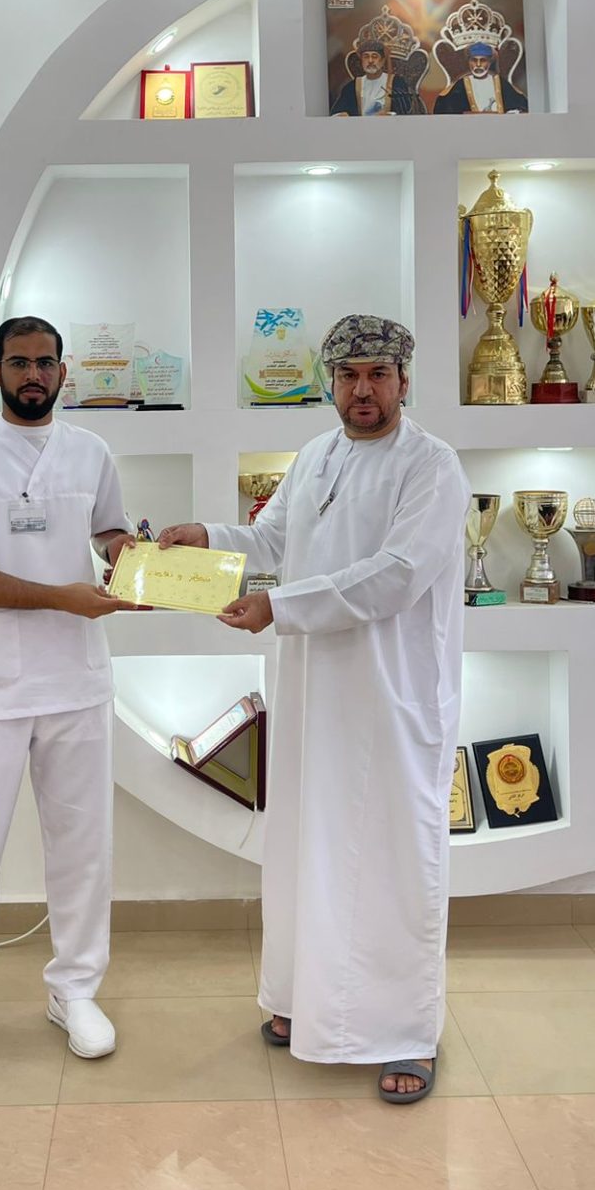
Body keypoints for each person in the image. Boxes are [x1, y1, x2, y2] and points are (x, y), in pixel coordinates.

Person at [158, 314, 470, 1103]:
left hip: (390, 695)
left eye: (378, 375)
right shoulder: (316, 457)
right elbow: (271, 540)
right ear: (331, 382)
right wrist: (206, 538)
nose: (363, 390)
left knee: (392, 857)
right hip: (311, 688)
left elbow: (397, 574)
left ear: (403, 380)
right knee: (306, 843)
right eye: (349, 375)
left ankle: (404, 1032)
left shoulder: (432, 466)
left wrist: (280, 608)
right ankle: (303, 998)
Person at [0, 315, 135, 1077]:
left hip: (74, 680)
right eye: (18, 362)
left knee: (83, 846)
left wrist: (133, 556)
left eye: (45, 362)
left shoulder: (91, 452)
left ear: (64, 373)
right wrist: (61, 596)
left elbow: (108, 534)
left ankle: (75, 991)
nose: (33, 374)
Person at [433, 41, 528, 114]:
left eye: (483, 60)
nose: (478, 65)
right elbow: (445, 109)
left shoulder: (501, 83)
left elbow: (520, 106)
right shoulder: (459, 86)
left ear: (489, 62)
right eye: (474, 60)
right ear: (468, 62)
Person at [330, 40, 412, 116]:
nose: (370, 61)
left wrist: (390, 115)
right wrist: (342, 114)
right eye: (366, 57)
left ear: (382, 61)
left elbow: (406, 111)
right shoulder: (351, 87)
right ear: (362, 61)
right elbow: (337, 112)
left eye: (374, 56)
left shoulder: (397, 83)